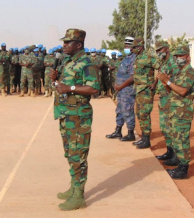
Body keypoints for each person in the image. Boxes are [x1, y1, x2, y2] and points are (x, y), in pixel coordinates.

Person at [49, 28, 100, 211]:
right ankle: (73, 186)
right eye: (64, 42)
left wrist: (69, 87)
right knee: (70, 154)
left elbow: (94, 89)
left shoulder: (87, 63)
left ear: (78, 45)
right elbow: (61, 88)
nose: (64, 45)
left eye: (67, 42)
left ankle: (79, 195)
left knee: (78, 155)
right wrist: (55, 81)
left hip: (79, 116)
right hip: (66, 114)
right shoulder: (67, 62)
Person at [157, 45, 194, 179]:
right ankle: (179, 165)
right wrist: (166, 84)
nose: (178, 59)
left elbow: (182, 91)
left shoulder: (190, 73)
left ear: (188, 57)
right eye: (176, 56)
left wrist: (167, 81)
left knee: (182, 140)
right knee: (176, 139)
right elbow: (172, 90)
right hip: (174, 111)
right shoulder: (179, 73)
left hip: (183, 112)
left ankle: (183, 169)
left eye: (181, 56)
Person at [154, 41, 181, 166]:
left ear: (166, 49)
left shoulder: (173, 64)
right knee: (164, 128)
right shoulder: (164, 63)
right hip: (163, 98)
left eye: (159, 50)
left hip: (171, 98)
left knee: (172, 128)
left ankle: (176, 155)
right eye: (157, 51)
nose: (158, 53)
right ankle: (169, 151)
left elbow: (174, 82)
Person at [131, 38, 161, 149]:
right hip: (139, 90)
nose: (132, 49)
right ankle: (143, 138)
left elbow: (161, 68)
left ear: (139, 47)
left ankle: (147, 140)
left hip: (146, 90)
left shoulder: (149, 57)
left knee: (144, 114)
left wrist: (154, 83)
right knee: (139, 114)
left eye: (134, 47)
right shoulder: (138, 57)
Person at [106, 36, 136, 141]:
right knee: (119, 110)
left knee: (127, 110)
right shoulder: (125, 58)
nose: (126, 47)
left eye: (128, 45)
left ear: (133, 47)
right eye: (125, 45)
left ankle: (130, 132)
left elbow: (133, 77)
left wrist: (120, 86)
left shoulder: (134, 59)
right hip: (120, 90)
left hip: (127, 90)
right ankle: (118, 131)